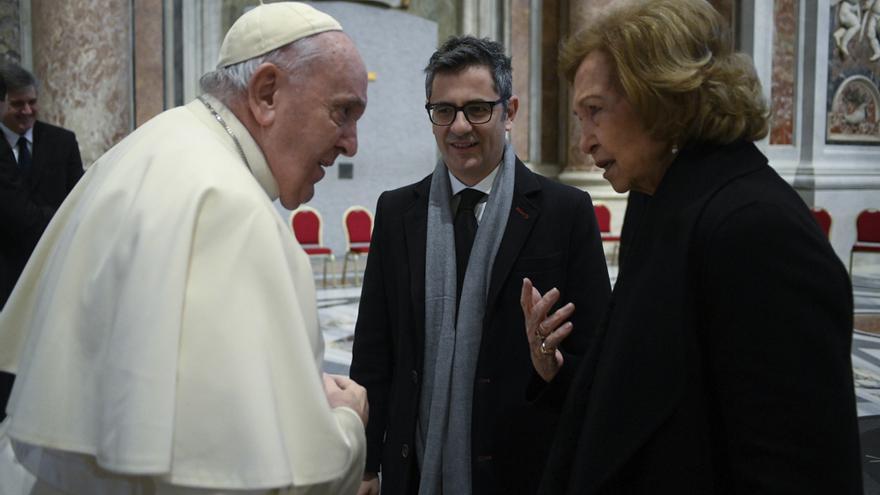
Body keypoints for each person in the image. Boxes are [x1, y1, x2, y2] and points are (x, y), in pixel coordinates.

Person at [0, 3, 371, 494]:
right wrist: (347, 426)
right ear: (266, 93)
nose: (351, 145)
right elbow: (251, 480)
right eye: (342, 112)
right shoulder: (228, 209)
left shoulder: (155, 144)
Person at [526, 1, 863, 493]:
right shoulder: (657, 202)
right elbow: (651, 395)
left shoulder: (758, 230)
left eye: (594, 112)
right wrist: (559, 371)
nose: (584, 143)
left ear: (663, 95)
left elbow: (794, 467)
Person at [350, 36, 611, 495]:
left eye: (477, 109)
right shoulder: (397, 213)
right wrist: (367, 463)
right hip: (415, 470)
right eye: (443, 110)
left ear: (509, 111)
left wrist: (550, 364)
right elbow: (375, 350)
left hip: (521, 468)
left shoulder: (564, 211)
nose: (459, 127)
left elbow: (595, 360)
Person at [0, 74, 56, 423]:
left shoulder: (61, 142)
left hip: (50, 271)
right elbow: (14, 215)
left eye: (32, 102)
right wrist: (55, 217)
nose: (27, 110)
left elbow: (78, 201)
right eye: (17, 103)